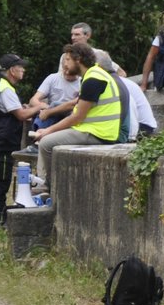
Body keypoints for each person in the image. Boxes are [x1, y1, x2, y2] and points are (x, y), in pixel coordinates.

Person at [33, 42, 124, 193]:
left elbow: (77, 117)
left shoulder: (93, 79)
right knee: (49, 137)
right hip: (95, 129)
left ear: (78, 59)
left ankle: (52, 186)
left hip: (98, 133)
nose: (64, 64)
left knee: (46, 143)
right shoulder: (93, 74)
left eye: (68, 60)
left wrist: (48, 130)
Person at [0, 54, 36, 227]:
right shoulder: (5, 89)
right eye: (20, 67)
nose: (23, 70)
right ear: (12, 70)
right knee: (1, 182)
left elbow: (9, 109)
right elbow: (20, 115)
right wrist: (38, 108)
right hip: (2, 143)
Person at [55, 22, 121, 77]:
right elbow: (59, 78)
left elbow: (121, 73)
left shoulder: (98, 54)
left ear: (88, 36)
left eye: (77, 34)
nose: (73, 38)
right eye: (72, 35)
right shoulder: (66, 56)